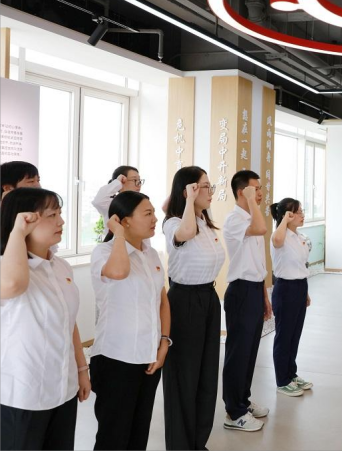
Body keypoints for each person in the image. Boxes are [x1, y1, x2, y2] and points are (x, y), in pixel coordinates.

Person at [0, 188, 91, 450]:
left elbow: (69, 321)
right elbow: (13, 284)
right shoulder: (6, 267)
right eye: (51, 215)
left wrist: (81, 370)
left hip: (63, 388)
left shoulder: (60, 266)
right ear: (24, 220)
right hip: (24, 396)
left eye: (60, 214)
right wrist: (17, 233)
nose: (61, 221)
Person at [89, 191, 170, 450]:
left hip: (149, 357)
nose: (155, 219)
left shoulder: (151, 253)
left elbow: (162, 301)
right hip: (116, 359)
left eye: (154, 212)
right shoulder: (103, 253)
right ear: (123, 221)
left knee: (138, 432)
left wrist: (164, 343)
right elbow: (119, 271)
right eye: (147, 213)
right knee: (113, 437)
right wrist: (119, 236)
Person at [161, 166, 225, 451]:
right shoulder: (174, 223)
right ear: (189, 190)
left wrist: (192, 201)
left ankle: (198, 442)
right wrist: (187, 199)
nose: (210, 192)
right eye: (204, 186)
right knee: (183, 378)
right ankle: (180, 445)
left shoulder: (205, 222)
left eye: (210, 186)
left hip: (208, 299)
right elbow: (185, 232)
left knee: (206, 375)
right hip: (184, 301)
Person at [221, 170, 273, 432]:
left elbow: (257, 262)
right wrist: (252, 201)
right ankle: (234, 412)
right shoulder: (234, 219)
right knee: (238, 353)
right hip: (240, 291)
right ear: (242, 191)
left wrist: (264, 295)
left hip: (253, 289)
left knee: (250, 352)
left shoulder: (251, 216)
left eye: (260, 188)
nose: (260, 193)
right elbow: (262, 229)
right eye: (255, 188)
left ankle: (243, 400)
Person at [269, 198, 314, 397]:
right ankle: (282, 380)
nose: (302, 215)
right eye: (297, 212)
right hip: (285, 288)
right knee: (284, 336)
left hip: (299, 286)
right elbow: (277, 241)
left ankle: (291, 374)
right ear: (287, 215)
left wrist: (305, 292)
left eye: (302, 211)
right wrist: (283, 221)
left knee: (294, 335)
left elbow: (301, 266)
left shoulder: (298, 237)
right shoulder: (280, 235)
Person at [91, 165, 144, 240]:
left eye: (139, 181)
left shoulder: (142, 204)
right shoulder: (111, 204)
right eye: (134, 180)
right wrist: (117, 182)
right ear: (122, 181)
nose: (139, 184)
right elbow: (98, 201)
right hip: (115, 246)